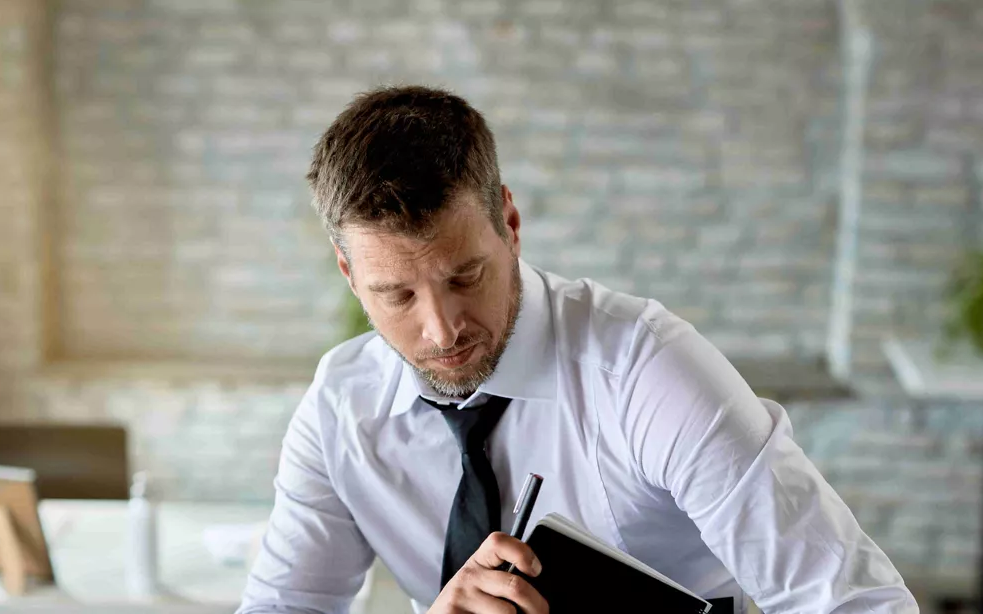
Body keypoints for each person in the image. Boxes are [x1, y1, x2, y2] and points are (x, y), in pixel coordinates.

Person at [237, 85, 918, 614]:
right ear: (349, 273)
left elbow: (858, 601)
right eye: (397, 296)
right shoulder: (340, 407)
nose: (442, 331)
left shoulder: (651, 374)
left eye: (463, 278)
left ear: (509, 223)